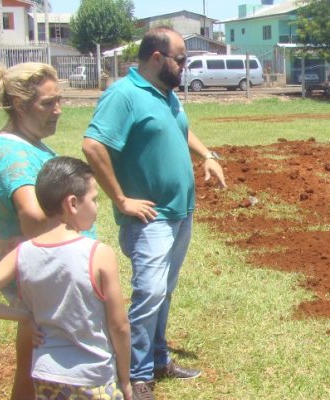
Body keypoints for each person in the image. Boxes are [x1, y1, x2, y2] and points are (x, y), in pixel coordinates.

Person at [82, 26, 227, 400]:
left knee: (164, 291)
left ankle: (159, 359)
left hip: (179, 212)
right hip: (150, 218)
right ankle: (137, 374)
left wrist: (207, 155)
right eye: (181, 59)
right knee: (149, 293)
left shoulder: (166, 93)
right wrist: (121, 200)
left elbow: (181, 129)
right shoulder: (123, 95)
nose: (185, 65)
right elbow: (93, 145)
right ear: (157, 58)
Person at [0, 156, 132, 400]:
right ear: (73, 203)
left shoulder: (22, 253)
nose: (96, 207)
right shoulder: (99, 254)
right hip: (93, 377)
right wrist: (125, 379)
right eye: (94, 199)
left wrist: (23, 315)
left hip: (46, 376)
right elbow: (119, 326)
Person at [0, 62, 67, 400]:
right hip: (43, 279)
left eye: (59, 100)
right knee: (42, 366)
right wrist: (72, 238)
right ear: (19, 105)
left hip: (40, 276)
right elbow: (31, 213)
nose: (58, 110)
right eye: (48, 103)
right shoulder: (13, 153)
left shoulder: (25, 144)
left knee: (33, 366)